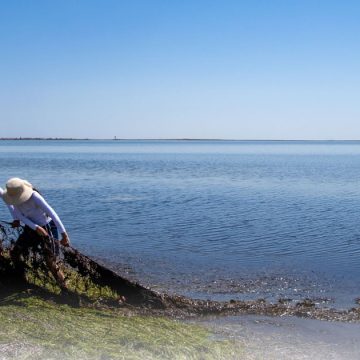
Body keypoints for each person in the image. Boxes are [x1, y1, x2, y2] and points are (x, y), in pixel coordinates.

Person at [0, 177, 70, 289]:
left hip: (47, 227)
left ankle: (64, 288)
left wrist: (64, 235)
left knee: (50, 261)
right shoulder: (12, 199)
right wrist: (35, 227)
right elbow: (19, 215)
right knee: (15, 253)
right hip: (31, 228)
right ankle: (22, 280)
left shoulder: (34, 196)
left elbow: (52, 214)